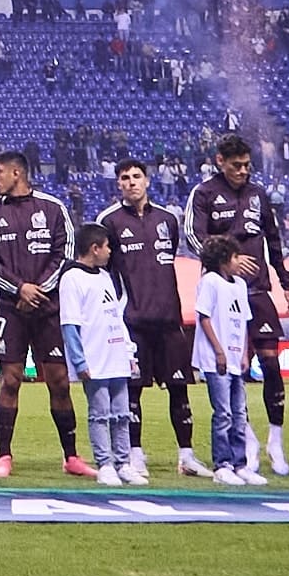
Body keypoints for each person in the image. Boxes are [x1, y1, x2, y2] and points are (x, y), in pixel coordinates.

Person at [0, 149, 88, 479]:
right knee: (10, 380)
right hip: (11, 309)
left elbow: (64, 254)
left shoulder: (53, 208)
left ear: (17, 173)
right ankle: (3, 456)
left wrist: (36, 290)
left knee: (58, 382)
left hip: (48, 309)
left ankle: (71, 456)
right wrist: (19, 289)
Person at [188, 138, 289, 477]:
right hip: (222, 290)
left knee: (270, 363)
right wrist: (225, 260)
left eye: (247, 164)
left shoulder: (258, 194)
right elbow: (193, 236)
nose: (243, 171)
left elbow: (273, 238)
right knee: (232, 371)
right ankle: (243, 442)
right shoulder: (204, 193)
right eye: (237, 165)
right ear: (220, 161)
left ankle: (275, 439)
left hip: (259, 288)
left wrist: (285, 280)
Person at [99, 157, 198, 473]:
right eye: (125, 178)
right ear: (118, 184)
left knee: (179, 388)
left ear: (147, 181)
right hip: (133, 321)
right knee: (133, 390)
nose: (131, 182)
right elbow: (105, 272)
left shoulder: (168, 219)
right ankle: (135, 454)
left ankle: (186, 456)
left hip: (169, 319)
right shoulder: (109, 221)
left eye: (136, 176)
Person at [61, 223, 138, 482]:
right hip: (95, 359)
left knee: (121, 413)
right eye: (107, 247)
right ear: (94, 249)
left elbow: (116, 315)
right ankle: (104, 464)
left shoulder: (105, 277)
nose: (110, 252)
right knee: (99, 413)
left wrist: (128, 352)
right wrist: (79, 360)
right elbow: (70, 324)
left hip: (116, 355)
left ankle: (123, 462)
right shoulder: (72, 278)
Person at [191, 246, 260, 484]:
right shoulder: (209, 282)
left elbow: (243, 321)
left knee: (239, 413)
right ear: (222, 260)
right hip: (215, 359)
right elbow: (204, 317)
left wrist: (243, 354)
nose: (240, 261)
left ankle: (240, 464)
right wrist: (219, 351)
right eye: (235, 257)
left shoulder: (240, 285)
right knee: (223, 413)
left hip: (235, 358)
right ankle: (222, 465)